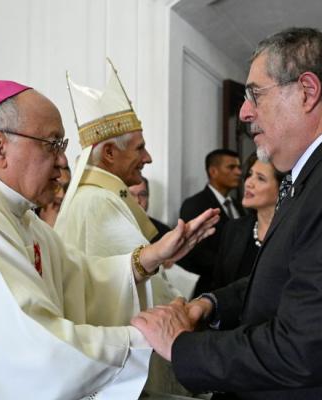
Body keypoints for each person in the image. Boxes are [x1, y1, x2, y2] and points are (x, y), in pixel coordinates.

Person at [0, 80, 219, 399]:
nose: (64, 161)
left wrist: (147, 259)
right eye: (52, 144)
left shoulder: (16, 216)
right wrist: (146, 338)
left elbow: (78, 281)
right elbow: (34, 350)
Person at [132, 27, 322, 399]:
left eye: (255, 94)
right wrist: (211, 304)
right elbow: (294, 275)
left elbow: (302, 349)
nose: (244, 112)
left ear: (307, 91)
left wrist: (180, 345)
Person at [56, 61, 196, 396]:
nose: (147, 158)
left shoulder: (103, 196)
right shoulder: (96, 202)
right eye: (139, 148)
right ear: (107, 155)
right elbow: (119, 289)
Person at [213, 153, 284, 293]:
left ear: (282, 190)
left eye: (260, 178)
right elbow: (218, 286)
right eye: (250, 174)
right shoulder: (234, 229)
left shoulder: (293, 232)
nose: (248, 183)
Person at [180, 149, 243, 296]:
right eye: (231, 167)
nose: (239, 172)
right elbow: (196, 250)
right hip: (209, 290)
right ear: (213, 171)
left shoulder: (239, 205)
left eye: (239, 167)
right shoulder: (195, 204)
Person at [129, 177, 171, 242]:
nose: (137, 200)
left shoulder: (165, 233)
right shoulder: (111, 230)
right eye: (131, 195)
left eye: (142, 194)